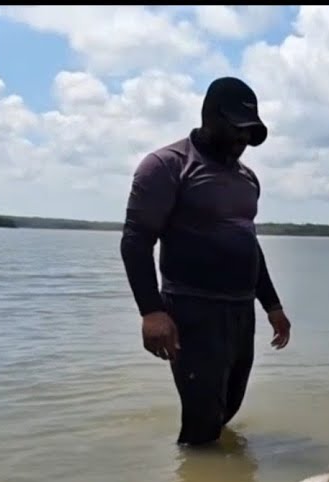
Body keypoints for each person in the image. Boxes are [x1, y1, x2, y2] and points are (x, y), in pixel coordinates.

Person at [119, 76, 292, 447]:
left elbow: (249, 244)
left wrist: (272, 306)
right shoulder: (167, 165)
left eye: (250, 133)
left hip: (241, 311)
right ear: (210, 116)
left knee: (228, 406)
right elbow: (136, 240)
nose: (243, 140)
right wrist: (151, 311)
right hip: (193, 309)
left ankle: (214, 480)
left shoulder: (247, 179)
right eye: (236, 129)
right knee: (201, 419)